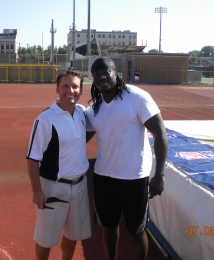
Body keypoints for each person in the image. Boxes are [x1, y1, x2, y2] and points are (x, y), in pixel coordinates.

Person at [85, 57, 168, 260]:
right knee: (108, 226)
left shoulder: (137, 97)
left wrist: (159, 175)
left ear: (115, 73)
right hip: (104, 177)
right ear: (93, 79)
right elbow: (78, 139)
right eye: (97, 74)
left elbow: (160, 134)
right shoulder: (94, 108)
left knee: (137, 230)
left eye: (106, 72)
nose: (102, 77)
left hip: (134, 177)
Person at [26, 70, 91, 260]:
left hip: (79, 186)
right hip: (54, 188)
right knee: (46, 239)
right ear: (57, 89)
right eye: (65, 86)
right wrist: (37, 190)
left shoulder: (81, 113)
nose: (70, 90)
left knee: (73, 236)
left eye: (75, 86)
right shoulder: (45, 119)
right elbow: (32, 158)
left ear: (80, 90)